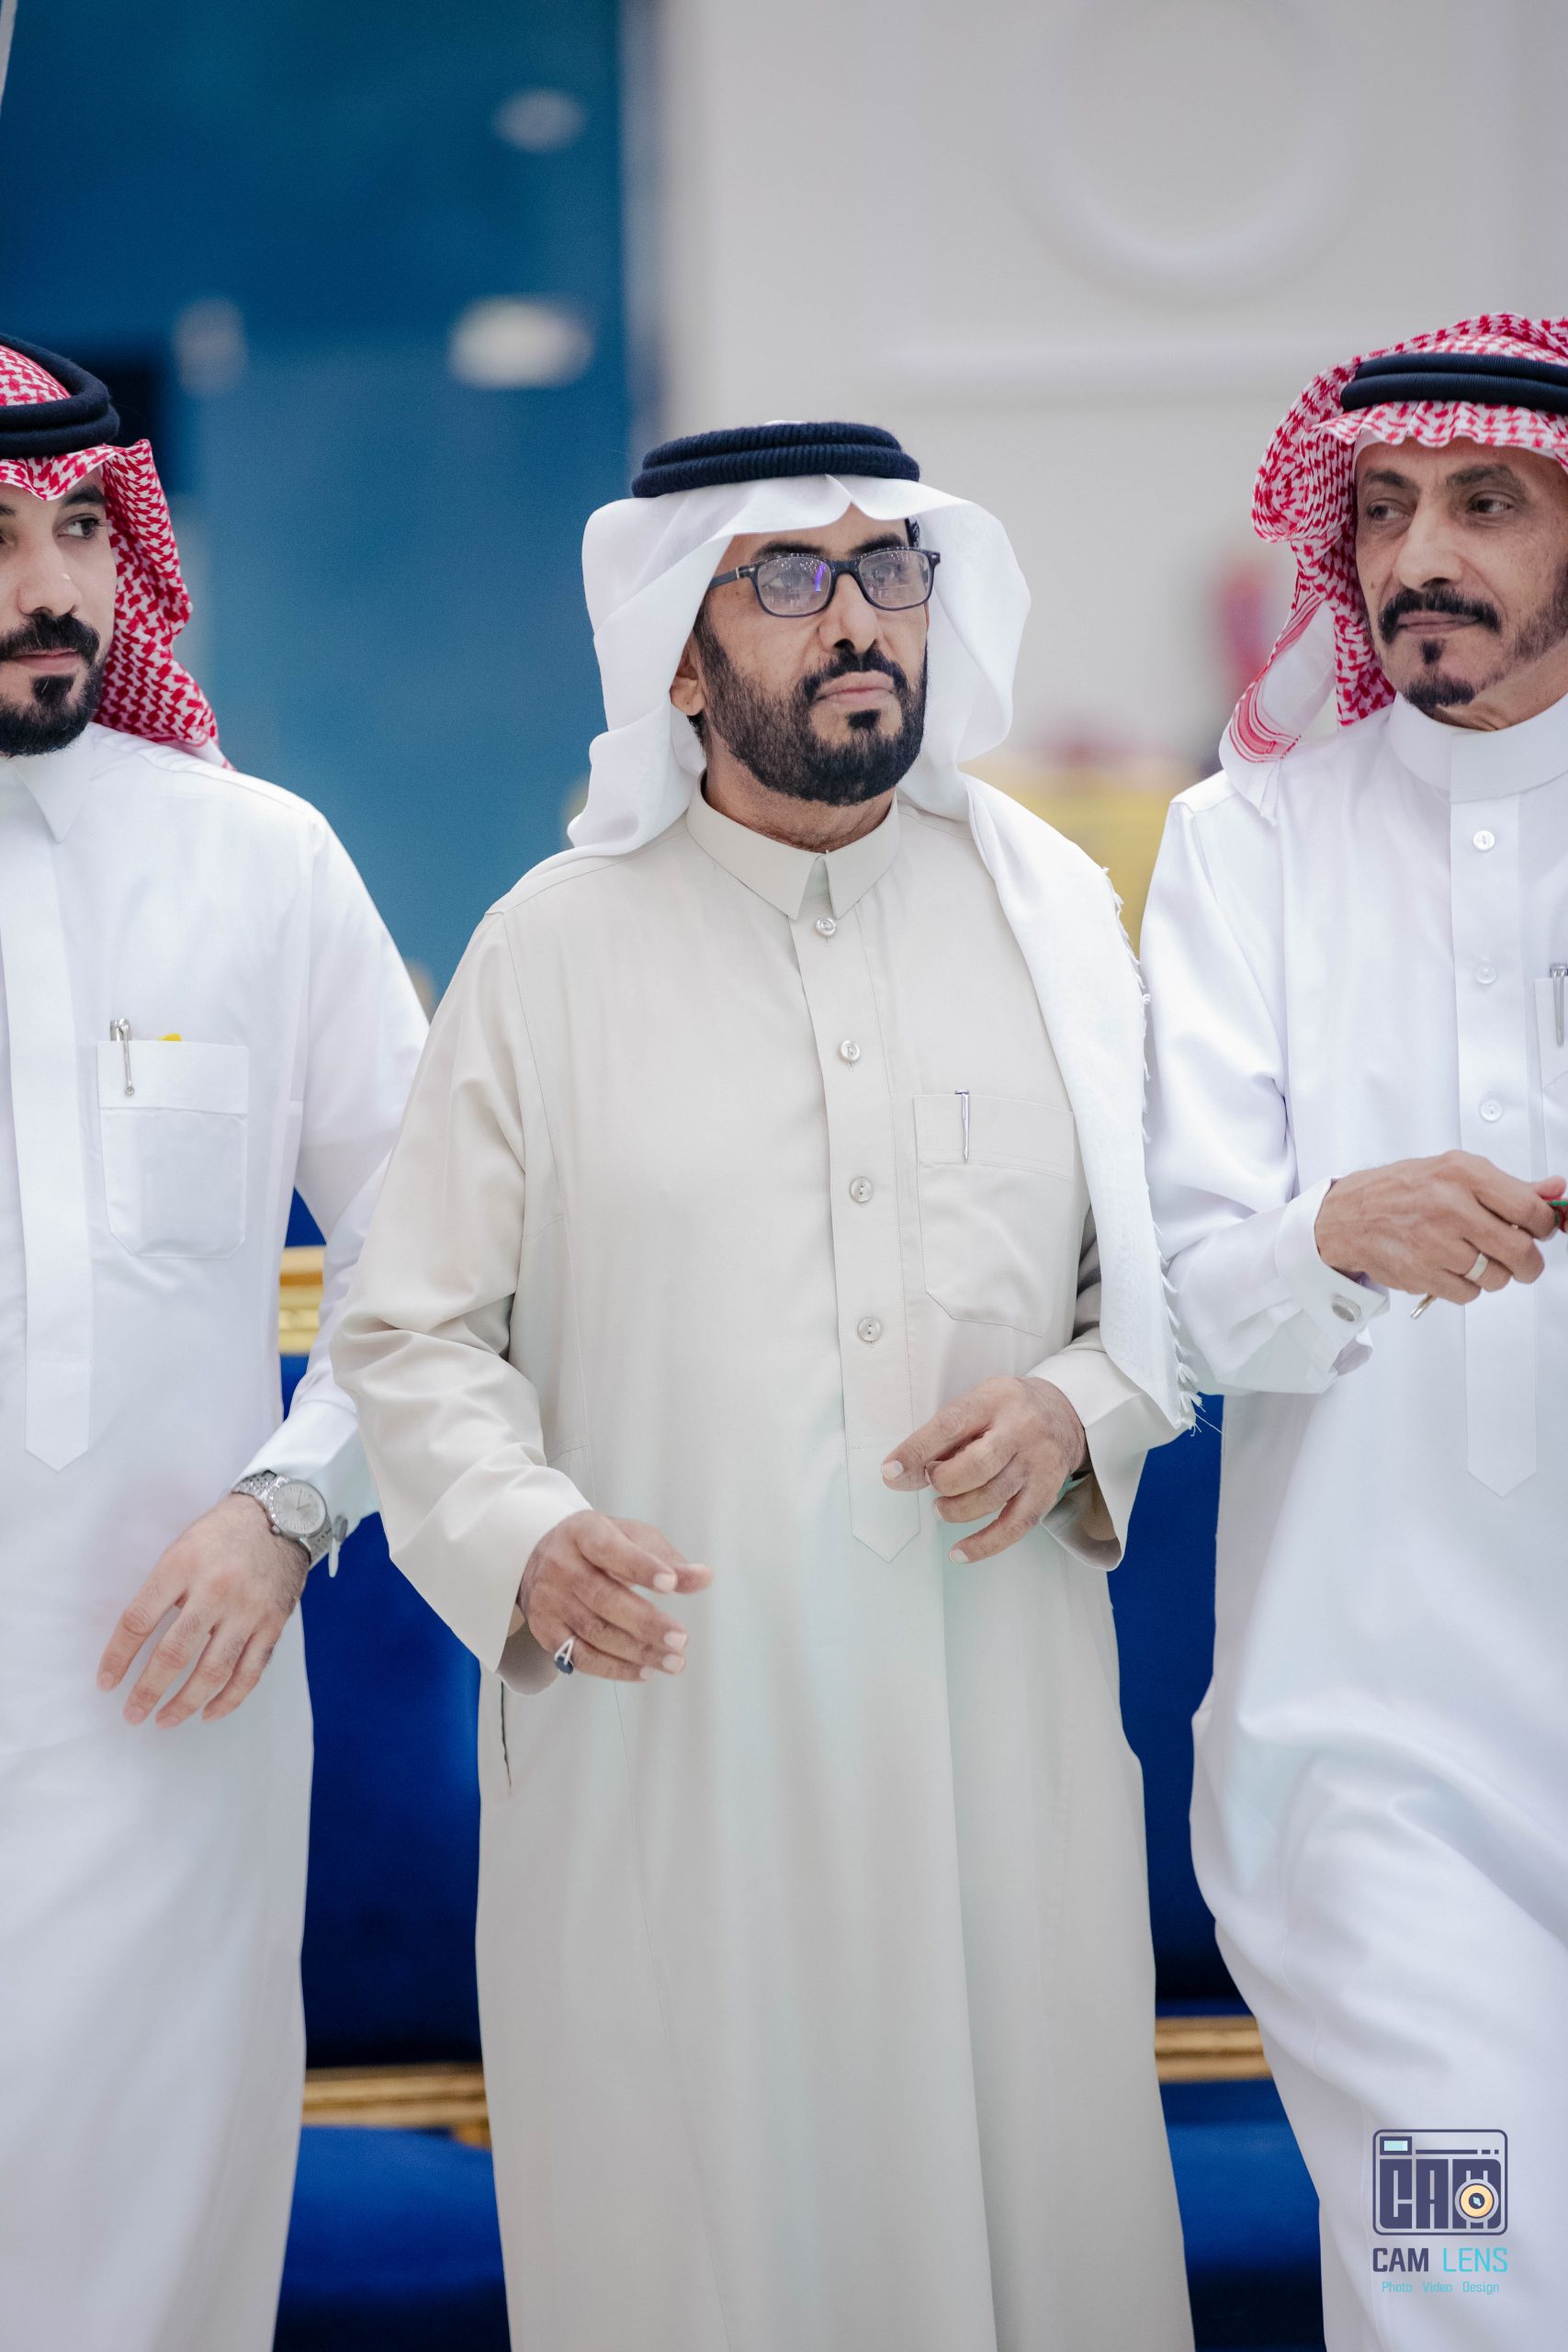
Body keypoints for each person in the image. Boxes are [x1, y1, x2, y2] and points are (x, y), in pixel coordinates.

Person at [336, 420, 1195, 2352]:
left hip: (993, 1738)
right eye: (789, 580)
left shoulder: (1052, 916)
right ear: (678, 650)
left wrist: (1079, 1405)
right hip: (679, 1753)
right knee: (704, 2249)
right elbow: (407, 1331)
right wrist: (521, 1533)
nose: (857, 621)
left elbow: (1151, 1287)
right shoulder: (547, 953)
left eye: (889, 572)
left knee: (1032, 2233)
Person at [1141, 315, 1568, 2347]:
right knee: (1459, 2280)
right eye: (1382, 509)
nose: (1420, 556)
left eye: (1485, 503)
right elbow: (1177, 1293)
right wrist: (1331, 1232)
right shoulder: (1249, 846)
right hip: (1369, 1775)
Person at [0, 337, 427, 2350]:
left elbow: (444, 1254)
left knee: (145, 2265)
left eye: (81, 528)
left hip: (165, 1709)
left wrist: (289, 1509)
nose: (47, 587)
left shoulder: (262, 861)